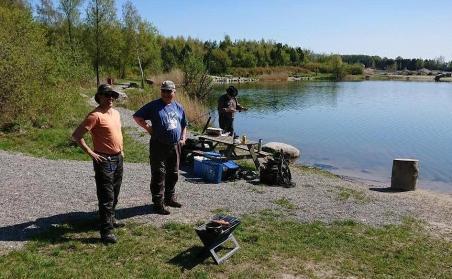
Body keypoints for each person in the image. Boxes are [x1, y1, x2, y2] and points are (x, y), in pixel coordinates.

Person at [72, 84, 125, 244]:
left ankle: (111, 218)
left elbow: (117, 133)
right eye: (107, 95)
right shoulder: (94, 115)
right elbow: (77, 135)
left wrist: (121, 151)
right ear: (99, 97)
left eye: (113, 96)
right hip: (104, 160)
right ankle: (106, 231)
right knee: (106, 196)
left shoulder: (115, 113)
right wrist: (91, 153)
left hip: (118, 158)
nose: (110, 98)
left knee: (115, 192)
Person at [133, 80, 187, 215]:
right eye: (164, 91)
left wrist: (183, 138)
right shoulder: (153, 106)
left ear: (174, 92)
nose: (166, 94)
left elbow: (184, 124)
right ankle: (158, 203)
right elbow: (137, 117)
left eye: (169, 91)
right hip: (159, 145)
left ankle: (170, 198)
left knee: (173, 173)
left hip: (175, 146)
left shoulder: (178, 107)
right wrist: (148, 128)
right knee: (158, 174)